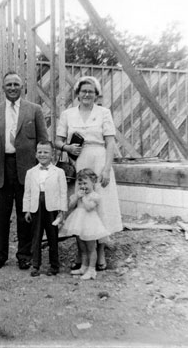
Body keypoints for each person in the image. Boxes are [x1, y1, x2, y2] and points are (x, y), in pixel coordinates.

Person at [0, 71, 48, 270]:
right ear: (3, 88)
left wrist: (42, 170)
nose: (12, 88)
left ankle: (24, 254)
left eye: (16, 84)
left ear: (23, 87)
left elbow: (43, 141)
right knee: (1, 215)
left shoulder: (34, 110)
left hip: (27, 170)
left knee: (25, 213)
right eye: (8, 84)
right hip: (1, 168)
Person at [55, 75, 123, 271]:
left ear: (96, 95)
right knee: (80, 205)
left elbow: (110, 142)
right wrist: (67, 148)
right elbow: (58, 141)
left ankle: (100, 252)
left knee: (100, 205)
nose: (87, 94)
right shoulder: (68, 114)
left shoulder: (103, 113)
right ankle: (81, 253)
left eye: (91, 92)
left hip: (99, 159)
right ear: (77, 94)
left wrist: (107, 169)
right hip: (79, 162)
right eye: (83, 91)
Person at [23, 141, 68, 277]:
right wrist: (27, 210)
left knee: (52, 236)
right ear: (36, 154)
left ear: (52, 154)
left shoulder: (59, 172)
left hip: (52, 208)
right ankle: (36, 264)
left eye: (46, 152)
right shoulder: (30, 172)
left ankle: (54, 265)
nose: (42, 155)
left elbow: (63, 192)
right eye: (40, 152)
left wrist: (62, 211)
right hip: (36, 207)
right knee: (36, 236)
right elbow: (28, 192)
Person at [61, 169, 109, 280]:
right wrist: (76, 197)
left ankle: (92, 270)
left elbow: (89, 207)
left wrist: (83, 197)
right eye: (80, 183)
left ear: (93, 182)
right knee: (82, 247)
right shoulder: (79, 194)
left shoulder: (94, 196)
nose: (83, 186)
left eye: (85, 183)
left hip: (90, 223)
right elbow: (71, 206)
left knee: (91, 247)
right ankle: (84, 266)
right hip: (78, 221)